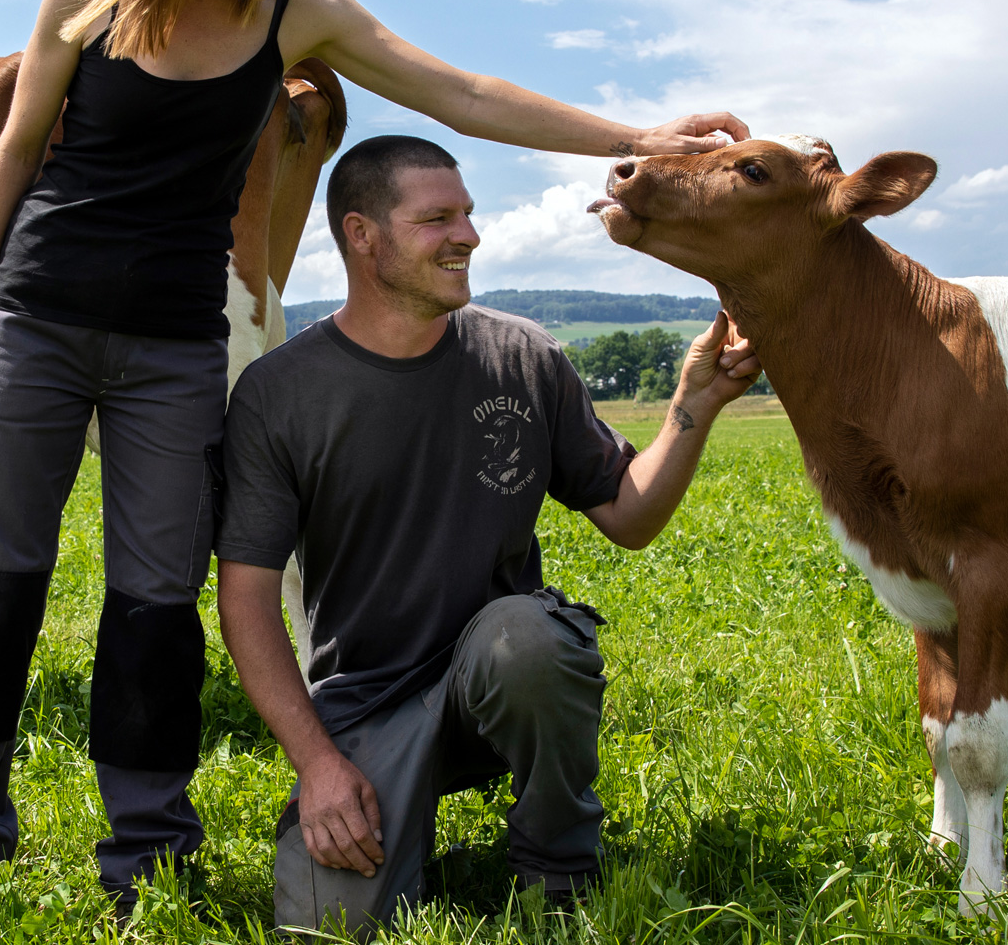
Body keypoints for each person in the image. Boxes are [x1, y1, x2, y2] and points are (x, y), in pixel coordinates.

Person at [0, 0, 749, 908]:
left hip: (175, 340)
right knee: (1, 571)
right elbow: (16, 152)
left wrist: (637, 138)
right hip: (38, 314)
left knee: (155, 595)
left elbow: (460, 91)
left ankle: (147, 847)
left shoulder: (295, 12)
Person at [215, 135, 762, 935]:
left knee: (530, 640)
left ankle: (558, 868)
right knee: (326, 925)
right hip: (364, 701)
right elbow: (249, 602)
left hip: (497, 674)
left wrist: (694, 405)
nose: (468, 236)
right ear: (362, 236)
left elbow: (630, 518)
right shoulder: (279, 394)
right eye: (437, 219)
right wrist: (318, 765)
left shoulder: (524, 355)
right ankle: (384, 805)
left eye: (468, 214)